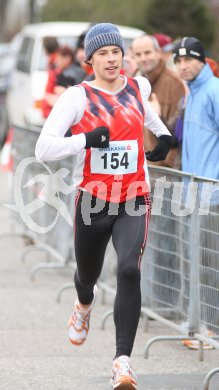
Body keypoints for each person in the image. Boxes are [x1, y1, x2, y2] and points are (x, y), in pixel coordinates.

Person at [35, 23, 172, 389]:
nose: (112, 59)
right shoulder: (77, 97)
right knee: (87, 275)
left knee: (129, 270)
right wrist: (85, 140)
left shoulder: (139, 87)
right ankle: (83, 305)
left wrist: (164, 137)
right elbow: (43, 148)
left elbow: (150, 119)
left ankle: (122, 363)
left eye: (116, 51)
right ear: (89, 59)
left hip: (134, 197)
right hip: (92, 201)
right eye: (103, 54)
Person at [132, 34, 185, 169]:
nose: (143, 58)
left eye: (147, 52)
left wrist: (158, 116)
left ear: (158, 52)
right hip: (138, 166)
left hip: (164, 171)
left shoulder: (175, 83)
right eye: (138, 54)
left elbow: (177, 136)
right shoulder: (132, 82)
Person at [41, 45, 86, 118]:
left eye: (59, 58)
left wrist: (65, 92)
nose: (56, 61)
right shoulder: (58, 73)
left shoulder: (79, 74)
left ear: (67, 58)